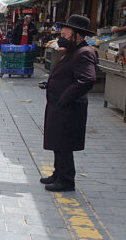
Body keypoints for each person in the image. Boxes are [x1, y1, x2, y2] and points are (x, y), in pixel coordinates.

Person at [41, 15, 98, 192]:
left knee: (64, 143)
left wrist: (65, 97)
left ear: (77, 36)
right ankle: (58, 173)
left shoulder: (85, 53)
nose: (61, 38)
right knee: (57, 141)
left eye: (65, 34)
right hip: (59, 105)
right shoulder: (73, 51)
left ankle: (66, 180)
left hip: (69, 107)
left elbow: (87, 79)